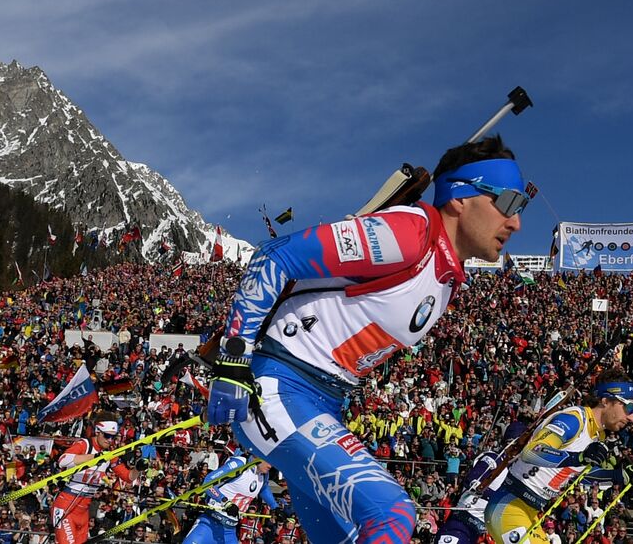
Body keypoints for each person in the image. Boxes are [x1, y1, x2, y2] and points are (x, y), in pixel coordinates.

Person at [205, 135, 529, 543]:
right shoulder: (411, 233)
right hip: (276, 387)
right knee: (392, 513)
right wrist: (233, 360)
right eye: (509, 204)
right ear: (461, 197)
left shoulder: (447, 279)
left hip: (324, 402)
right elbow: (275, 255)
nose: (516, 222)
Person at [485, 373, 633, 544]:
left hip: (531, 512)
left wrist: (618, 475)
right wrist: (579, 457)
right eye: (629, 408)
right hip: (509, 506)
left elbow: (575, 472)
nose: (631, 417)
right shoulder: (575, 419)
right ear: (605, 400)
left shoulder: (596, 435)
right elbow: (531, 452)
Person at [50, 415, 136, 544]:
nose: (110, 440)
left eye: (113, 437)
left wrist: (139, 469)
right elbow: (63, 460)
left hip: (84, 510)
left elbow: (128, 477)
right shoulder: (85, 444)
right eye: (107, 436)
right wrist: (95, 457)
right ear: (98, 432)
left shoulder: (109, 453)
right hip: (66, 506)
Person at [180, 447, 279, 544]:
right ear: (257, 456)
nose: (271, 466)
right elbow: (208, 483)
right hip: (209, 525)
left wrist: (275, 508)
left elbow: (263, 488)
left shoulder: (264, 474)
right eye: (269, 461)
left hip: (229, 531)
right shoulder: (240, 464)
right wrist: (226, 503)